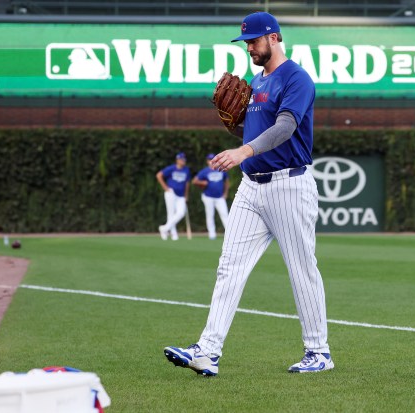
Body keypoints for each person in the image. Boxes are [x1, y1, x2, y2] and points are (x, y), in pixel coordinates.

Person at [164, 12, 333, 376]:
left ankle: (318, 351)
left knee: (301, 270)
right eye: (246, 42)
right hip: (251, 188)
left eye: (254, 41)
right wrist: (236, 129)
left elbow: (286, 127)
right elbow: (252, 132)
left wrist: (243, 151)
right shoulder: (257, 81)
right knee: (229, 267)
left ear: (273, 38)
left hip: (289, 185)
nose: (249, 48)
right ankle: (208, 351)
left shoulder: (296, 78)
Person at [192, 153, 230, 240]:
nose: (211, 161)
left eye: (212, 159)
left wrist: (225, 193)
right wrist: (202, 183)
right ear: (207, 161)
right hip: (208, 196)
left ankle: (229, 233)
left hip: (220, 197)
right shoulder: (205, 171)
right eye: (209, 160)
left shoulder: (221, 169)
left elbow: (227, 181)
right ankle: (212, 234)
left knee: (225, 214)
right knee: (210, 215)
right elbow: (194, 181)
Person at [156, 152, 190, 241]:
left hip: (181, 195)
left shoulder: (186, 170)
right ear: (177, 160)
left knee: (181, 213)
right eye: (181, 159)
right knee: (170, 214)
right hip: (171, 193)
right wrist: (165, 187)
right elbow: (159, 175)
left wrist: (186, 195)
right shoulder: (171, 168)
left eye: (184, 160)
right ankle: (173, 234)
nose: (183, 161)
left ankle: (164, 229)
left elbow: (187, 183)